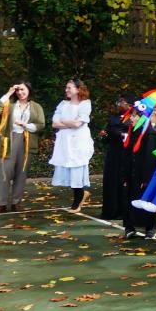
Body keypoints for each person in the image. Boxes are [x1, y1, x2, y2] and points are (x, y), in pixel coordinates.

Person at [0, 81, 46, 212]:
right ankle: (1, 203)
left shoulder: (36, 107)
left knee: (22, 172)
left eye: (22, 89)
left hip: (27, 141)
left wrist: (25, 125)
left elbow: (41, 124)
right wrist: (9, 93)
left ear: (29, 90)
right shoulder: (10, 105)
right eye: (18, 90)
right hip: (9, 140)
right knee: (4, 171)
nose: (20, 92)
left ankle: (16, 202)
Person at [49, 79, 94, 212]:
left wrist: (64, 122)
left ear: (78, 89)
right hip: (64, 141)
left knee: (77, 167)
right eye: (66, 87)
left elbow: (78, 124)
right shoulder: (63, 104)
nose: (66, 90)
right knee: (68, 168)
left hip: (79, 141)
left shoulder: (85, 104)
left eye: (69, 88)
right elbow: (54, 123)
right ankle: (80, 194)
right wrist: (69, 122)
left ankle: (78, 198)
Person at [122, 107, 156, 239]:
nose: (131, 118)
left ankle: (150, 228)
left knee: (146, 199)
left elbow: (149, 158)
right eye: (132, 116)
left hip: (144, 174)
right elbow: (126, 155)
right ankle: (129, 227)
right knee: (128, 199)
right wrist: (124, 175)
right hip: (132, 172)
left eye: (135, 116)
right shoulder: (132, 132)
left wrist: (146, 179)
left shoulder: (150, 133)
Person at [99, 94, 135, 219]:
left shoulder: (133, 118)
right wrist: (104, 136)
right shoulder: (113, 118)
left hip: (126, 154)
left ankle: (123, 211)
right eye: (119, 102)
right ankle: (110, 210)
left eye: (122, 102)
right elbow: (108, 137)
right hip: (113, 155)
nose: (119, 104)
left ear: (130, 105)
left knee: (123, 182)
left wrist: (121, 134)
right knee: (111, 181)